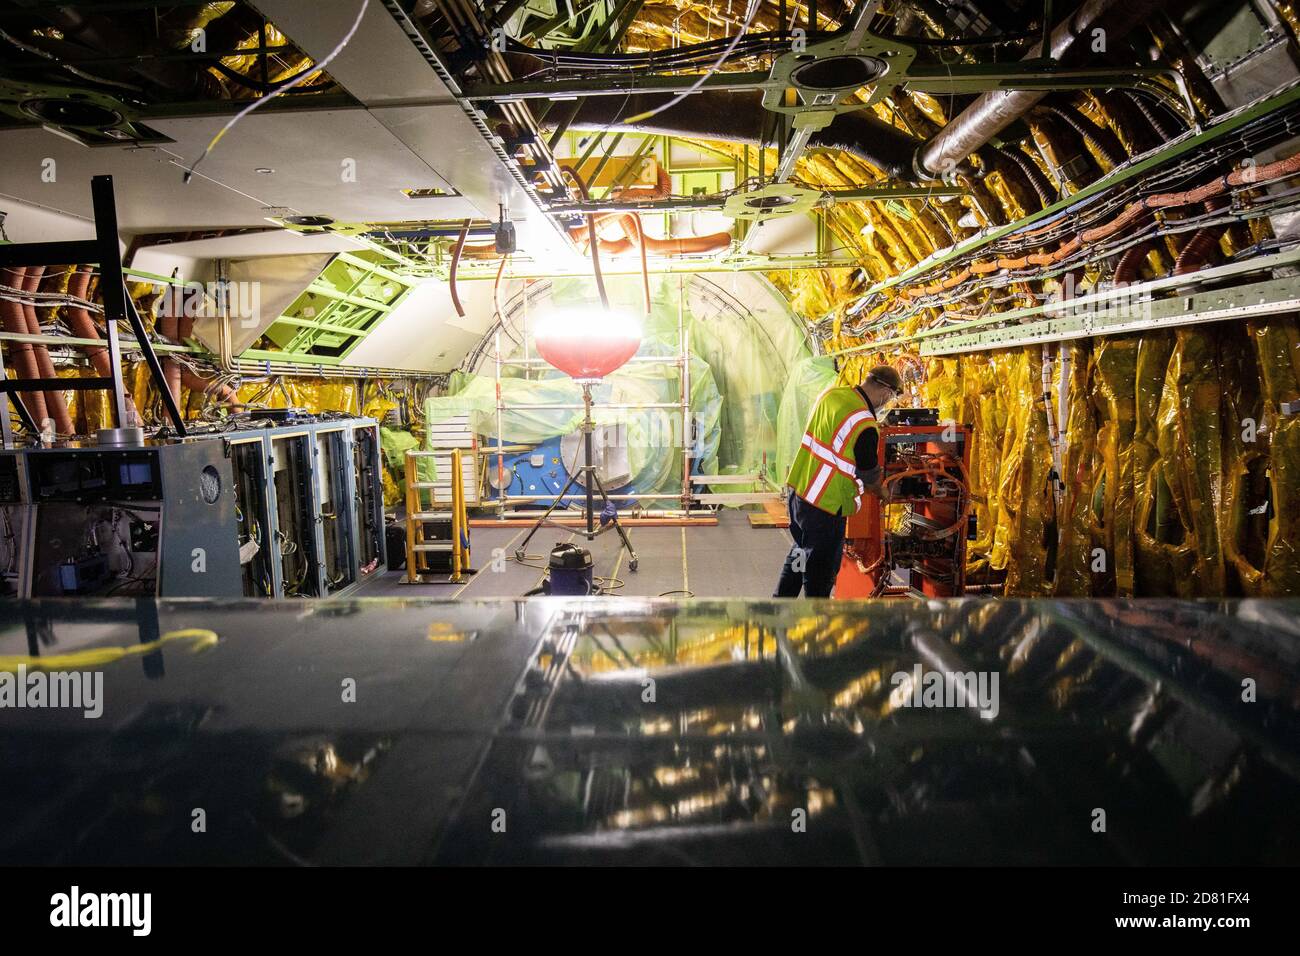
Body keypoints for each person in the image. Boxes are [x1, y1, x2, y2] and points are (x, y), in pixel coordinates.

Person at [774, 364, 904, 598]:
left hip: (800, 491)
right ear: (886, 392)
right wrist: (883, 492)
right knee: (821, 570)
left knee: (801, 551)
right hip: (825, 503)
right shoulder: (865, 424)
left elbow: (835, 434)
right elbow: (868, 473)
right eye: (891, 397)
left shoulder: (832, 395)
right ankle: (818, 623)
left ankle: (778, 605)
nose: (888, 402)